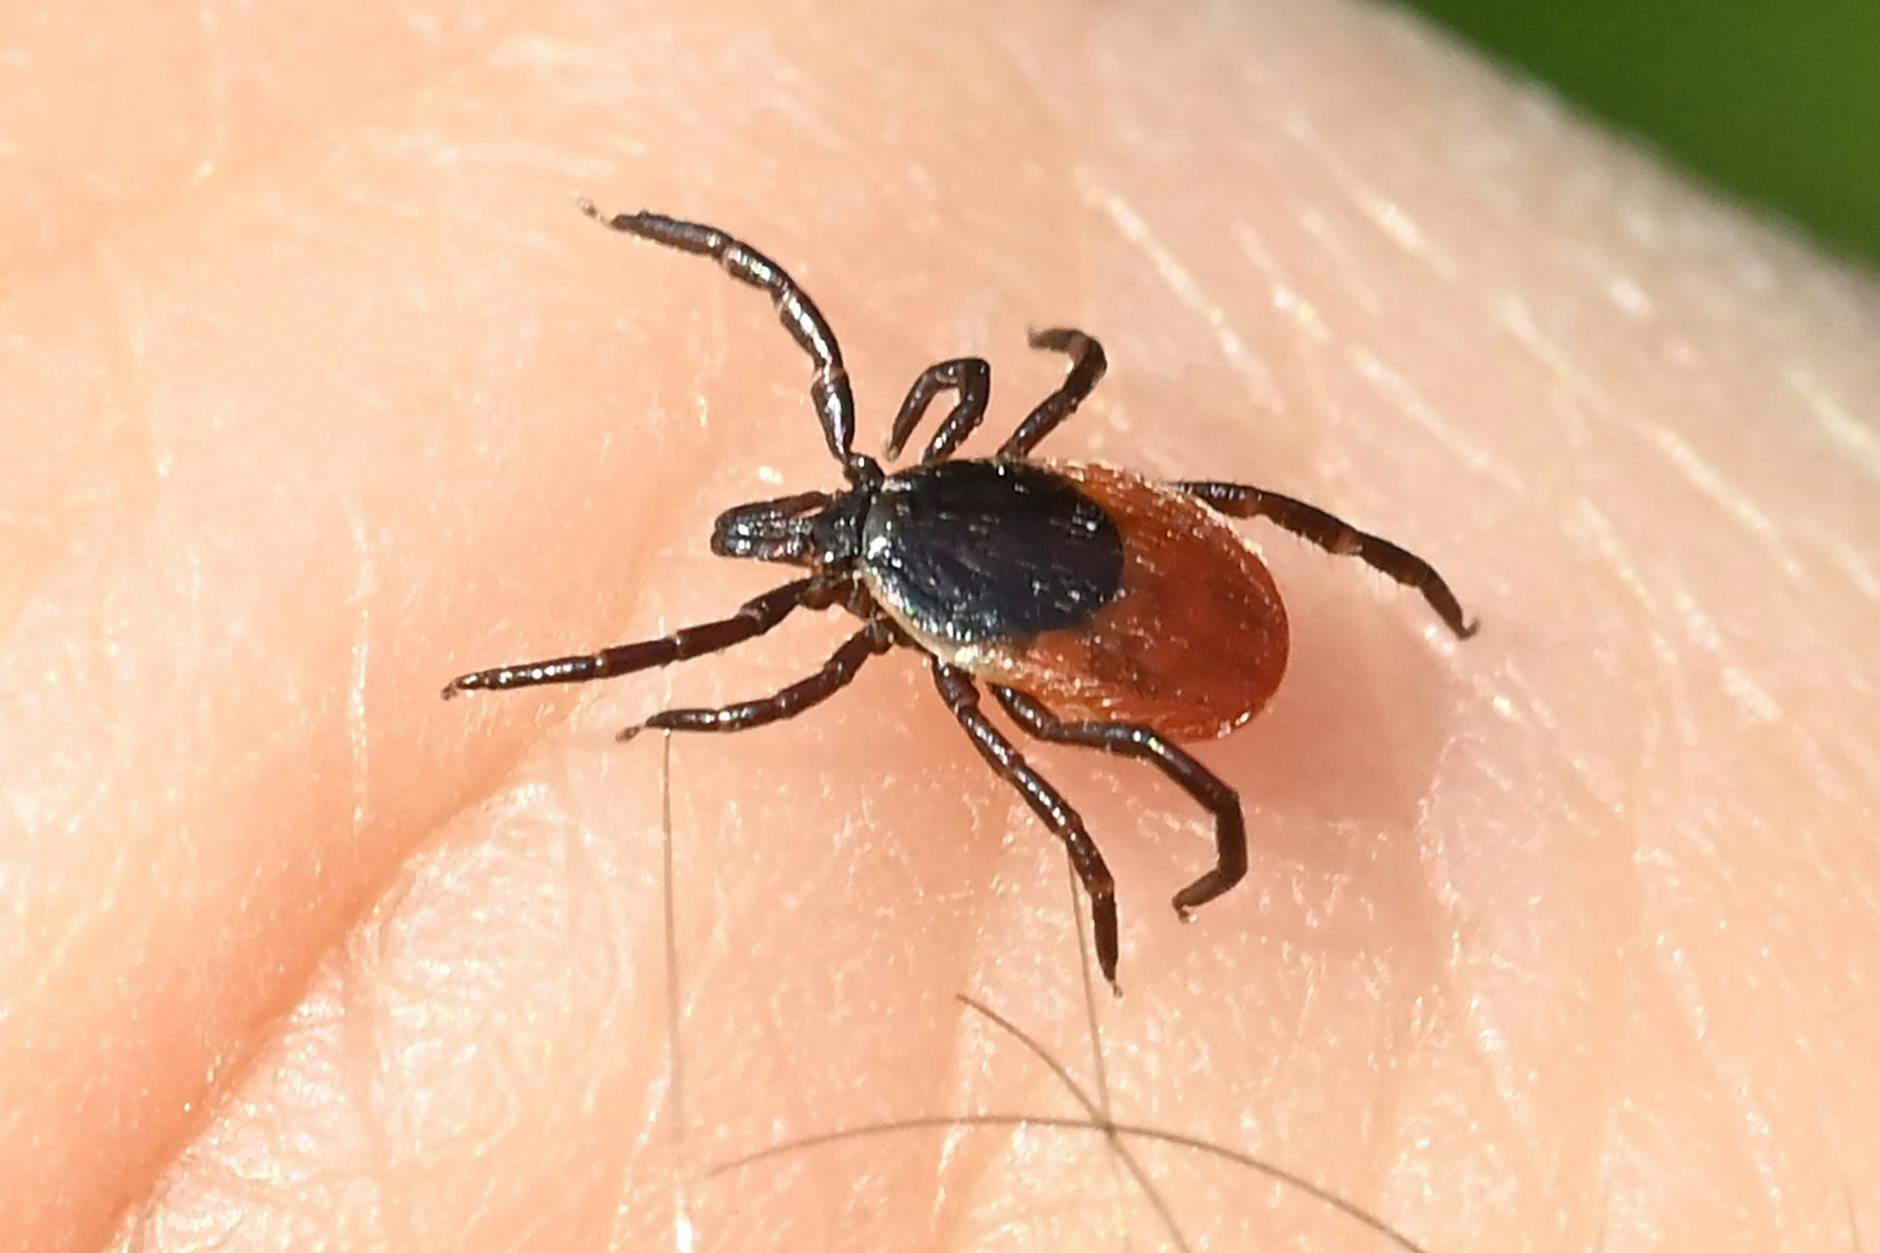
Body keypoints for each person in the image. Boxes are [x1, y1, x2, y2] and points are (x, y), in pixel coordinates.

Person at [4, 2, 1875, 1248]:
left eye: (837, 526)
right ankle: (1391, 613)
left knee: (1104, 751)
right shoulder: (945, 478)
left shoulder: (888, 607)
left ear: (935, 457)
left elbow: (780, 681)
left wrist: (666, 698)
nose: (813, 531)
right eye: (835, 530)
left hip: (1152, 624)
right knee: (1157, 664)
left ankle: (1352, 670)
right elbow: (1042, 374)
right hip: (1140, 601)